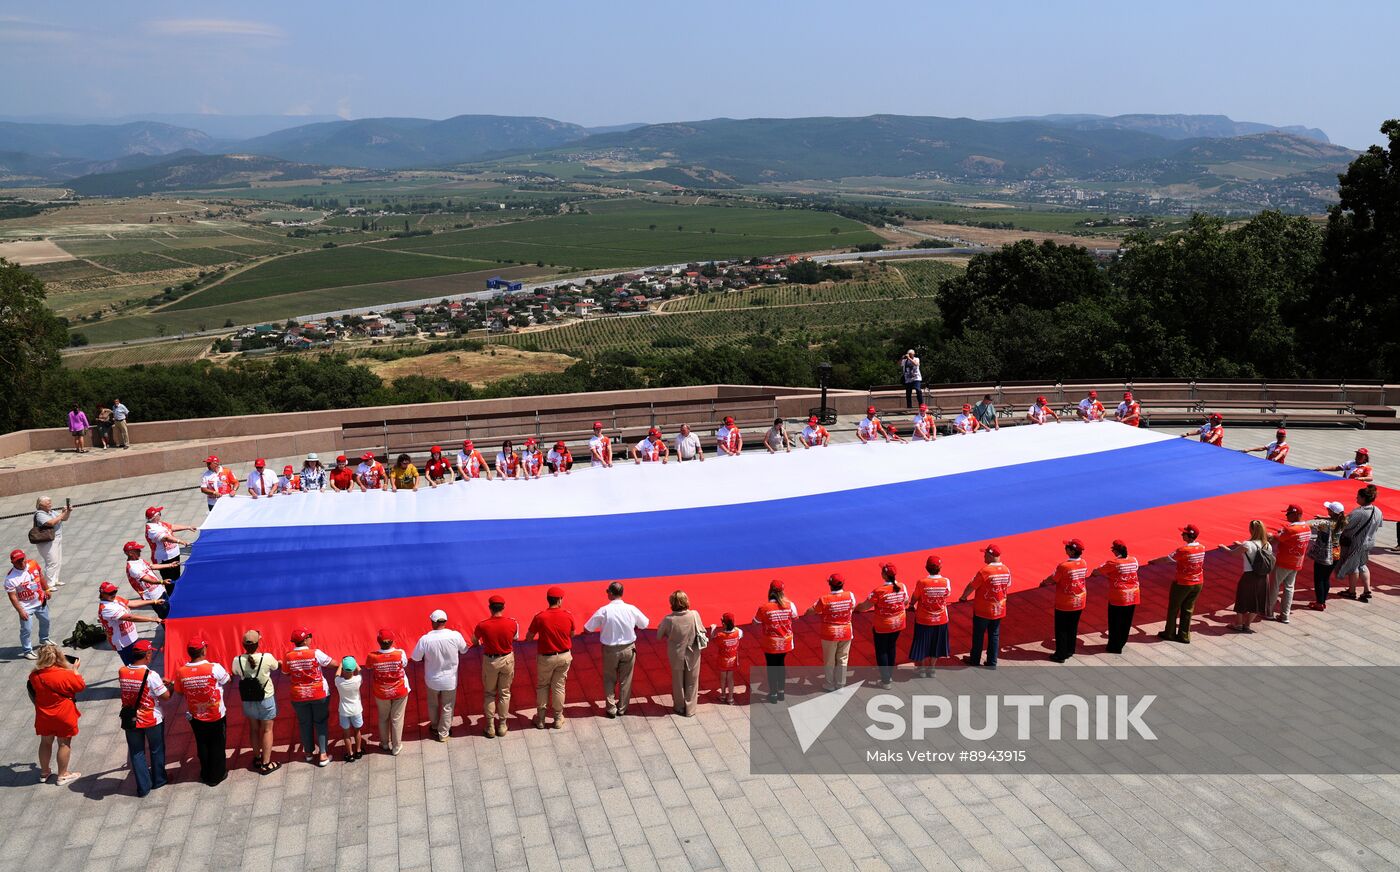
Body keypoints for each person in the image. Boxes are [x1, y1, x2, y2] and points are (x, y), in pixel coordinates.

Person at [171, 630, 231, 786]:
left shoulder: (181, 672)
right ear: (203, 651)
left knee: (202, 744)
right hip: (216, 714)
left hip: (196, 716)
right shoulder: (214, 667)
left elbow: (178, 692)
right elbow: (227, 680)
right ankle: (217, 775)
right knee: (218, 745)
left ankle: (205, 773)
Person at [584, 581, 650, 717]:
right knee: (626, 679)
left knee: (609, 678)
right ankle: (622, 708)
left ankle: (611, 708)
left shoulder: (604, 611)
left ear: (611, 593)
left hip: (610, 650)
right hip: (628, 648)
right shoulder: (631, 609)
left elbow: (587, 628)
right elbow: (645, 623)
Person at [119, 639, 170, 797]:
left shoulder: (122, 671)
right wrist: (171, 686)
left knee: (136, 752)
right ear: (147, 655)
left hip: (131, 719)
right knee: (156, 749)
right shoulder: (151, 675)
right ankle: (159, 779)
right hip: (151, 719)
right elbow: (165, 696)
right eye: (150, 653)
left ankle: (143, 787)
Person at [30, 643, 84, 785]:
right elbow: (80, 686)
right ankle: (63, 775)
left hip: (44, 715)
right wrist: (75, 670)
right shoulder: (66, 674)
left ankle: (44, 772)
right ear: (58, 656)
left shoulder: (34, 675)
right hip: (63, 714)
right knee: (64, 743)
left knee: (45, 742)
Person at [411, 610, 468, 741]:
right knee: (447, 707)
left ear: (432, 622)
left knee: (433, 704)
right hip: (450, 680)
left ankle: (435, 726)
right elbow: (464, 650)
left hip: (432, 680)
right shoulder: (455, 636)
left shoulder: (425, 639)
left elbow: (415, 657)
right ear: (445, 621)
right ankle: (444, 733)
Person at [230, 630, 280, 774]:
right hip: (266, 697)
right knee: (267, 729)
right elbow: (276, 666)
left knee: (253, 728)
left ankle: (257, 757)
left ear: (243, 645)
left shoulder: (237, 660)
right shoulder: (267, 657)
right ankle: (266, 763)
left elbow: (235, 672)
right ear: (258, 643)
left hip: (248, 698)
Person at [526, 586, 575, 729]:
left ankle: (541, 719)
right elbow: (572, 634)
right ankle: (558, 718)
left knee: (543, 686)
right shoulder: (568, 615)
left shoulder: (540, 617)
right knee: (559, 687)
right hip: (564, 656)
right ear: (559, 600)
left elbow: (529, 637)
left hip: (546, 658)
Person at [283, 627, 334, 766]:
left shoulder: (288, 656)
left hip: (298, 695)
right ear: (305, 640)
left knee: (304, 723)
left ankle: (308, 754)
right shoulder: (315, 653)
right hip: (319, 693)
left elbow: (286, 673)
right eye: (309, 636)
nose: (311, 638)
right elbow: (332, 663)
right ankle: (323, 754)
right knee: (321, 722)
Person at [856, 563, 909, 687]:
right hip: (898, 623)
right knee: (891, 647)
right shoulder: (902, 586)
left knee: (882, 651)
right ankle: (889, 674)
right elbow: (905, 602)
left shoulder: (879, 591)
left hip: (883, 626)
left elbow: (864, 606)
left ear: (884, 575)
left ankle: (886, 680)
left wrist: (855, 608)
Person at [958, 545, 1010, 670]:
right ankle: (992, 661)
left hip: (983, 610)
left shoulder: (985, 571)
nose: (983, 556)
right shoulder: (1006, 570)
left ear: (990, 555)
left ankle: (975, 659)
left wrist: (963, 597)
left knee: (978, 635)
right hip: (999, 609)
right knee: (994, 635)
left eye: (985, 554)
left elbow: (972, 586)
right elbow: (1007, 585)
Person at [473, 596, 517, 738]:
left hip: (491, 662)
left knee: (489, 693)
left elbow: (474, 640)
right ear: (503, 608)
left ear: (490, 608)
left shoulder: (483, 625)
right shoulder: (512, 623)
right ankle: (503, 725)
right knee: (505, 693)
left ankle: (490, 726)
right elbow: (515, 637)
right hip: (507, 660)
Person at [656, 590, 704, 717]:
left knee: (677, 681)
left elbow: (659, 636)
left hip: (676, 654)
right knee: (692, 681)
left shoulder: (668, 619)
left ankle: (679, 706)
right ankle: (690, 709)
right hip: (693, 653)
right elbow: (701, 630)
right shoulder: (694, 615)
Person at [1040, 539, 1088, 663]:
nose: (1065, 548)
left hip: (1065, 603)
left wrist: (1044, 582)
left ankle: (1060, 655)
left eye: (1067, 547)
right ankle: (1070, 650)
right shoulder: (1083, 563)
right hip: (1079, 600)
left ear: (1071, 551)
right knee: (1073, 627)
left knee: (1061, 629)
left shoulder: (1064, 566)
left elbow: (1054, 579)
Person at [807, 573, 857, 692]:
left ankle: (829, 684)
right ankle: (840, 685)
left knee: (829, 660)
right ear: (843, 584)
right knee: (843, 659)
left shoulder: (825, 599)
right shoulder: (850, 595)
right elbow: (853, 606)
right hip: (846, 632)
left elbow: (811, 611)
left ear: (830, 585)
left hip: (829, 634)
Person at [1334, 485, 1384, 603]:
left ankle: (1352, 591)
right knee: (1362, 565)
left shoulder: (1359, 512)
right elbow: (1379, 525)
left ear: (1363, 498)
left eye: (1358, 497)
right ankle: (1367, 590)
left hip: (1356, 543)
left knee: (1353, 567)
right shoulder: (1378, 511)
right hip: (1369, 543)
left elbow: (1344, 525)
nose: (1356, 498)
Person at [364, 629, 410, 753]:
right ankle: (396, 746)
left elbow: (368, 666)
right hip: (399, 690)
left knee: (383, 717)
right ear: (392, 640)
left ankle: (384, 743)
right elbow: (404, 664)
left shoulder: (372, 656)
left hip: (381, 692)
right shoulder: (400, 653)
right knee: (397, 718)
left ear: (378, 641)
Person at [753, 580, 799, 703]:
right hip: (786, 642)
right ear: (782, 592)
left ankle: (773, 693)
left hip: (770, 643)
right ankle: (781, 692)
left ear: (770, 591)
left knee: (771, 667)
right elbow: (795, 617)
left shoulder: (764, 608)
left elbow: (755, 622)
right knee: (781, 664)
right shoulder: (790, 605)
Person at [1227, 520, 1276, 633]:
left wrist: (1223, 547)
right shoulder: (1267, 545)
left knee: (1242, 600)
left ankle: (1238, 624)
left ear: (1251, 530)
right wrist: (1240, 545)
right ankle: (1247, 624)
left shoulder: (1247, 544)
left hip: (1248, 577)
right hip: (1263, 577)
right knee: (1258, 601)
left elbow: (1233, 553)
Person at [97, 581, 162, 664]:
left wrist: (154, 601)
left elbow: (131, 603)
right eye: (110, 593)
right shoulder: (106, 608)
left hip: (131, 638)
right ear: (102, 594)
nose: (113, 594)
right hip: (124, 643)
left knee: (141, 663)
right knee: (133, 665)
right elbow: (129, 617)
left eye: (115, 591)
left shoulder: (115, 599)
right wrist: (153, 619)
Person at [1093, 541, 1139, 654]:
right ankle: (1121, 642)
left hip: (1119, 597)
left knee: (1115, 622)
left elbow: (1096, 572)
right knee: (1126, 621)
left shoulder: (1113, 563)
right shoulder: (1134, 560)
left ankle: (1114, 646)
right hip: (1133, 595)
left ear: (1116, 551)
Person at [1268, 504, 1312, 623]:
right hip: (1297, 562)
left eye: (1289, 514)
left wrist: (1271, 535)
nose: (1286, 516)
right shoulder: (1307, 528)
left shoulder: (1291, 529)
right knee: (1289, 588)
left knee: (1274, 586)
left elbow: (1277, 538)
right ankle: (1285, 615)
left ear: (1296, 514)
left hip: (1284, 561)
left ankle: (1269, 612)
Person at [909, 556, 952, 677]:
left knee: (922, 644)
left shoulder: (922, 582)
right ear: (940, 567)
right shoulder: (946, 581)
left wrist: (911, 604)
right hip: (941, 619)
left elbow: (915, 596)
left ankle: (922, 669)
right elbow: (947, 594)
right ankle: (932, 669)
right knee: (936, 645)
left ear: (926, 567)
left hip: (924, 619)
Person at [7, 548, 52, 659]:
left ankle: (44, 639)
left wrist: (46, 589)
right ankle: (27, 650)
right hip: (26, 607)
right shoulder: (10, 578)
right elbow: (12, 597)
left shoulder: (33, 564)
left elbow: (40, 576)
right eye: (18, 561)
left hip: (40, 601)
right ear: (13, 562)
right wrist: (21, 611)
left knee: (46, 621)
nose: (21, 562)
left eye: (22, 559)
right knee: (26, 629)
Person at [1306, 501, 1347, 611]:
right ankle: (1322, 601)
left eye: (1328, 509)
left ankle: (1319, 603)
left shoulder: (1325, 524)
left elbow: (1309, 524)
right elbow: (1336, 519)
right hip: (1336, 553)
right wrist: (1325, 517)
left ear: (1332, 512)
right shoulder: (1343, 522)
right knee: (1326, 578)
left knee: (1319, 578)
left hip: (1324, 553)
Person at [144, 506, 194, 588]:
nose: (160, 515)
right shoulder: (151, 529)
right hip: (165, 559)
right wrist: (181, 541)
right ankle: (172, 594)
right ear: (155, 517)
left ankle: (178, 590)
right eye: (159, 513)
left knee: (177, 577)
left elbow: (171, 527)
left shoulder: (159, 524)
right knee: (170, 581)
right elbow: (166, 538)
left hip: (174, 555)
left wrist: (188, 527)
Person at [31, 495, 71, 588]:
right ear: (41, 505)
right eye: (47, 503)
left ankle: (55, 580)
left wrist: (68, 512)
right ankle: (49, 584)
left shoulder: (51, 512)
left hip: (57, 538)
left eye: (50, 502)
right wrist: (62, 514)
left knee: (58, 561)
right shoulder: (40, 514)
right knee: (51, 562)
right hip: (47, 541)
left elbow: (64, 518)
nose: (50, 504)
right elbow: (51, 523)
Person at [334, 657, 365, 762]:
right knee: (357, 731)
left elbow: (337, 674)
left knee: (346, 734)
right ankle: (358, 751)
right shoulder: (357, 680)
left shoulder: (339, 681)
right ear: (353, 669)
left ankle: (350, 754)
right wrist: (356, 663)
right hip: (356, 710)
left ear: (343, 669)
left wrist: (340, 664)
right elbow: (360, 671)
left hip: (344, 711)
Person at [709, 613, 742, 703]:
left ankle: (723, 695)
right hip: (733, 659)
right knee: (730, 678)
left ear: (724, 624)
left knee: (723, 677)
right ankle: (730, 698)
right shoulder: (737, 632)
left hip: (722, 660)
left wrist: (713, 629)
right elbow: (740, 632)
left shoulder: (721, 635)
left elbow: (713, 638)